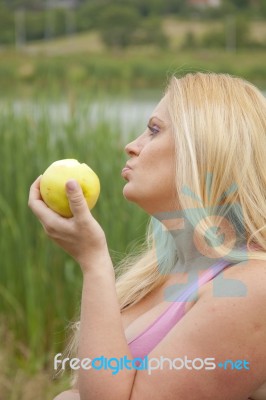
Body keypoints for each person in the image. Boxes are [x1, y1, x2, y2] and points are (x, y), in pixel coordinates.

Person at [28, 72, 266, 400]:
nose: (131, 146)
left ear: (206, 148)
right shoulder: (158, 271)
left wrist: (94, 262)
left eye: (154, 130)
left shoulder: (254, 287)